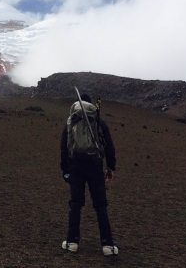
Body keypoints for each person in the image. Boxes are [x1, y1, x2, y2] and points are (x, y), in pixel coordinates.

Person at [60, 93, 119, 256]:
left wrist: (65, 170)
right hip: (95, 166)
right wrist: (111, 168)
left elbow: (64, 147)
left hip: (76, 166)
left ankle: (72, 242)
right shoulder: (98, 121)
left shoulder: (71, 121)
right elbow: (109, 147)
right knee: (100, 205)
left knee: (75, 204)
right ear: (91, 105)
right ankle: (108, 245)